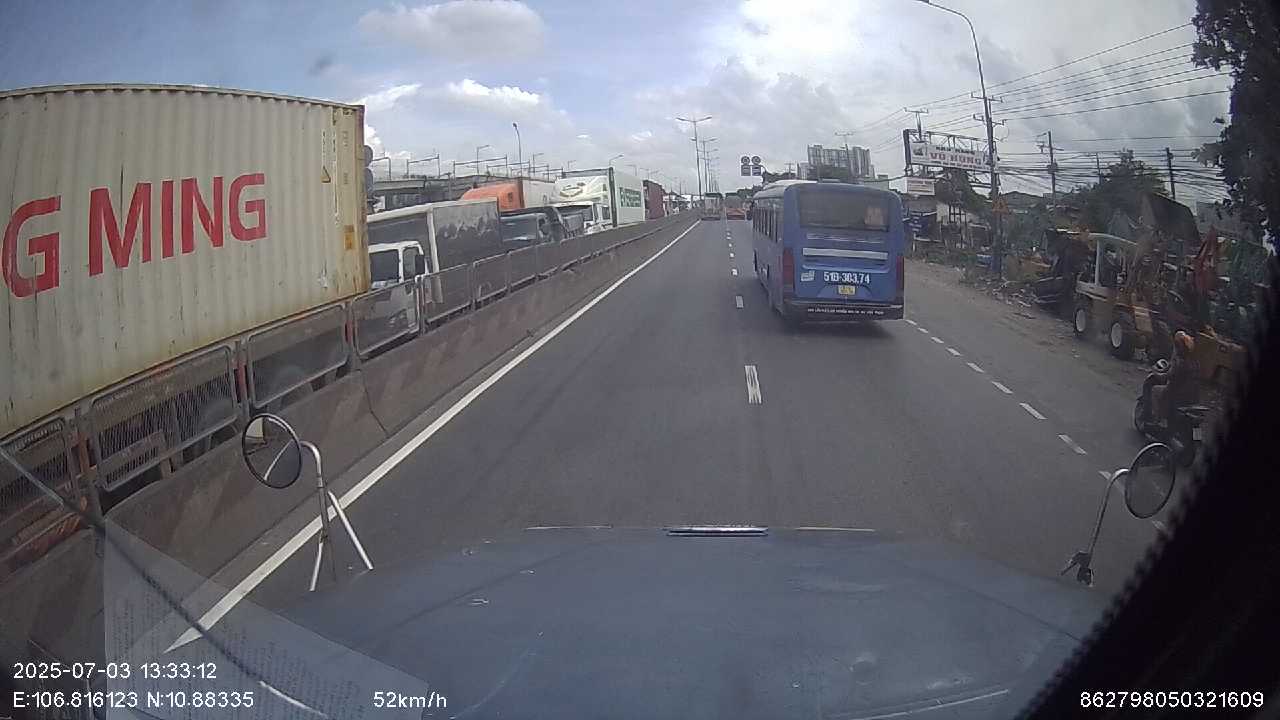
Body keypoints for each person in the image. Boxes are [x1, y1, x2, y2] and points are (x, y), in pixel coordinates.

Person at [1148, 330, 1201, 427]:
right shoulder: (1195, 363)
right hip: (1192, 395)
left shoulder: (1179, 363)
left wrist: (1155, 373)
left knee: (1155, 390)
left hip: (1176, 392)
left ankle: (1158, 419)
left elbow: (1167, 376)